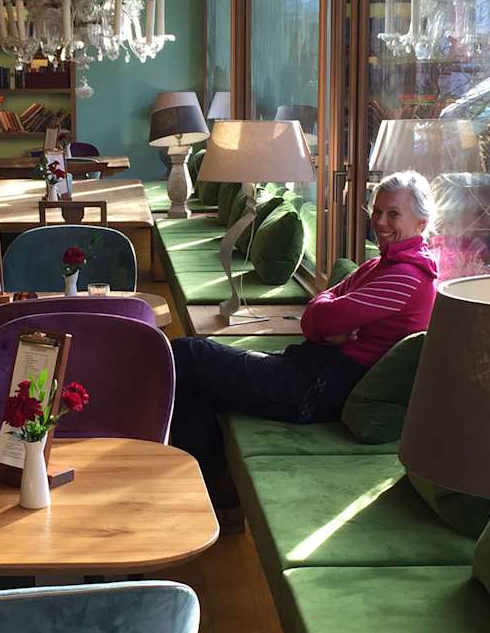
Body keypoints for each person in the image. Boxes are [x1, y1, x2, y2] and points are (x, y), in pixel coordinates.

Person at [168, 171, 439, 498]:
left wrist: (323, 322)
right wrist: (323, 322)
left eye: (393, 214)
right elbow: (315, 312)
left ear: (421, 223)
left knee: (185, 354)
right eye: (377, 211)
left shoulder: (407, 277)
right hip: (310, 371)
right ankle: (211, 493)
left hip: (316, 390)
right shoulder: (380, 265)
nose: (380, 222)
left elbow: (320, 318)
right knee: (195, 380)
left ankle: (203, 491)